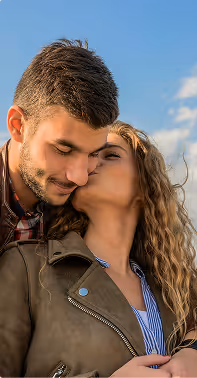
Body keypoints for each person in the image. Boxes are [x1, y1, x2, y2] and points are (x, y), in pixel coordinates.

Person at [0, 121, 197, 378]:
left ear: (145, 186)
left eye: (110, 155)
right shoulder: (27, 267)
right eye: (89, 156)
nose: (89, 164)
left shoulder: (171, 289)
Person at [0, 38, 119, 252]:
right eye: (63, 150)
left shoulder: (85, 209)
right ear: (18, 126)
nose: (80, 177)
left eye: (93, 154)